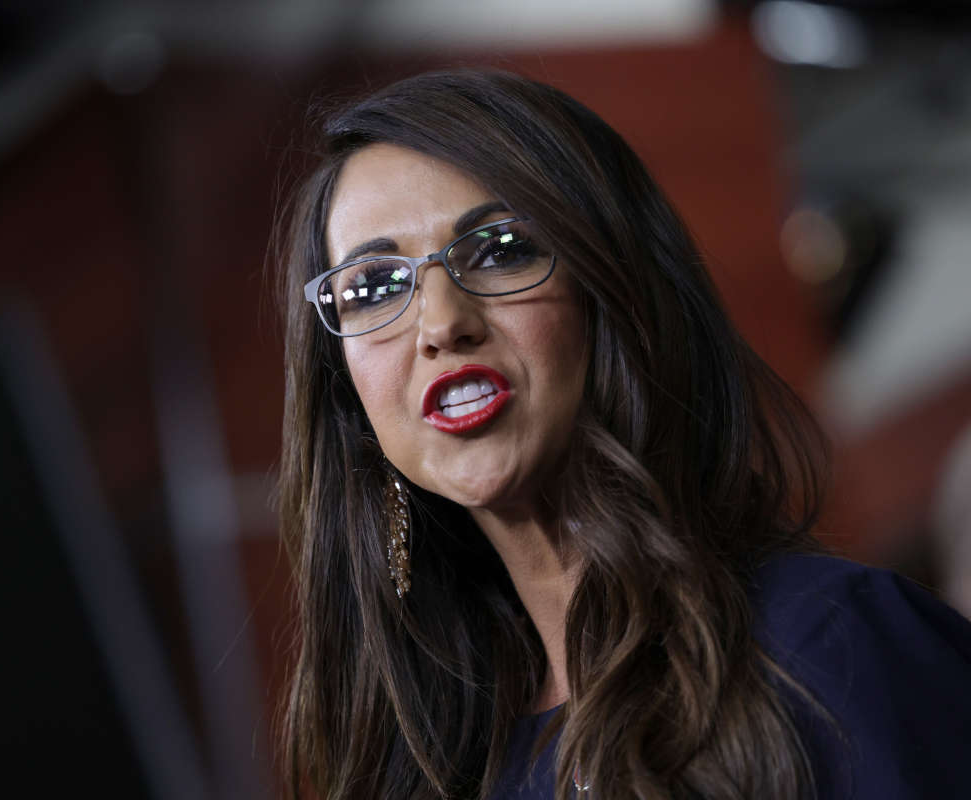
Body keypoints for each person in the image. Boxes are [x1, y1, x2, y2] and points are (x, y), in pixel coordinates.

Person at [273, 68, 971, 800]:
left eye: (502, 247)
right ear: (345, 388)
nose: (442, 322)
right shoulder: (429, 768)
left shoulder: (833, 647)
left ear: (612, 292)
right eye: (374, 287)